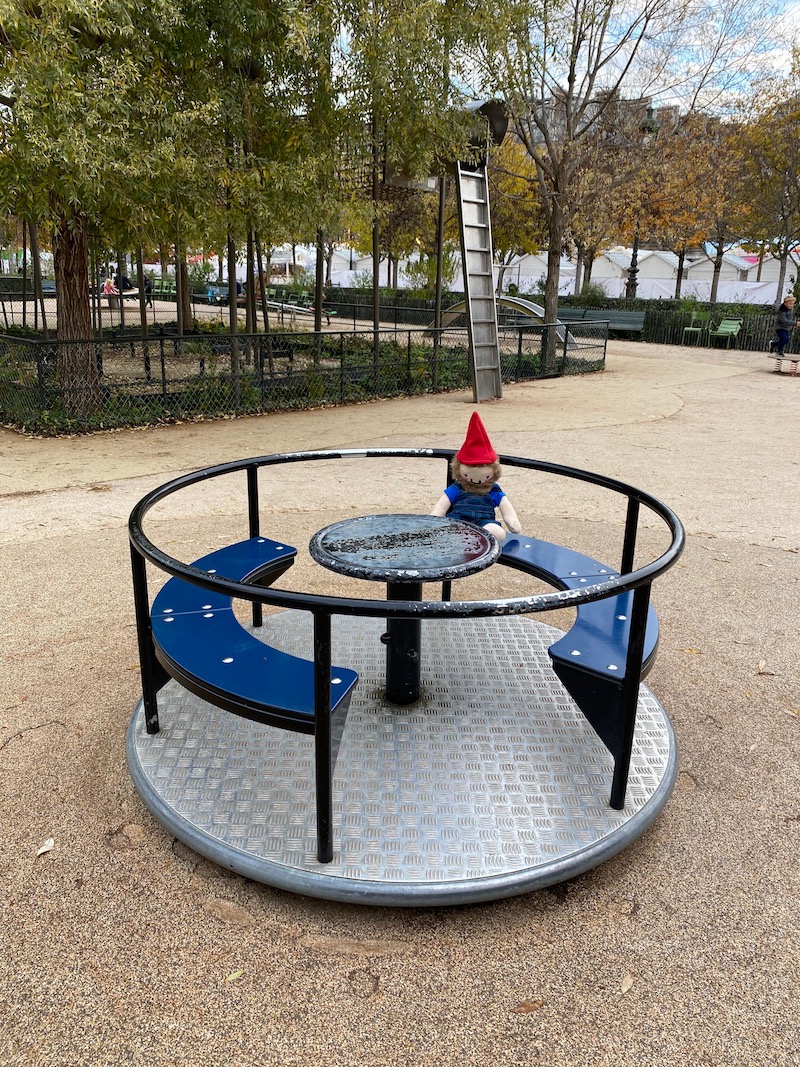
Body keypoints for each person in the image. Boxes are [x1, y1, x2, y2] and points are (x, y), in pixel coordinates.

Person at [431, 411, 521, 544]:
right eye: (467, 474)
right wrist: (433, 521)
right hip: (458, 522)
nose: (476, 480)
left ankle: (488, 533)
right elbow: (441, 506)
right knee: (451, 526)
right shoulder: (457, 488)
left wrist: (512, 522)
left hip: (484, 524)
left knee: (494, 531)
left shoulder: (493, 490)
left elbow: (505, 506)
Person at [769, 294, 796, 361]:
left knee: (786, 340)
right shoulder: (781, 310)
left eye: (792, 304)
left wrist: (790, 325)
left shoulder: (789, 309)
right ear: (785, 303)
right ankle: (779, 352)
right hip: (779, 327)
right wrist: (795, 323)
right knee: (783, 337)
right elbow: (784, 320)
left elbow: (789, 317)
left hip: (785, 327)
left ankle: (773, 344)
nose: (791, 305)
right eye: (790, 304)